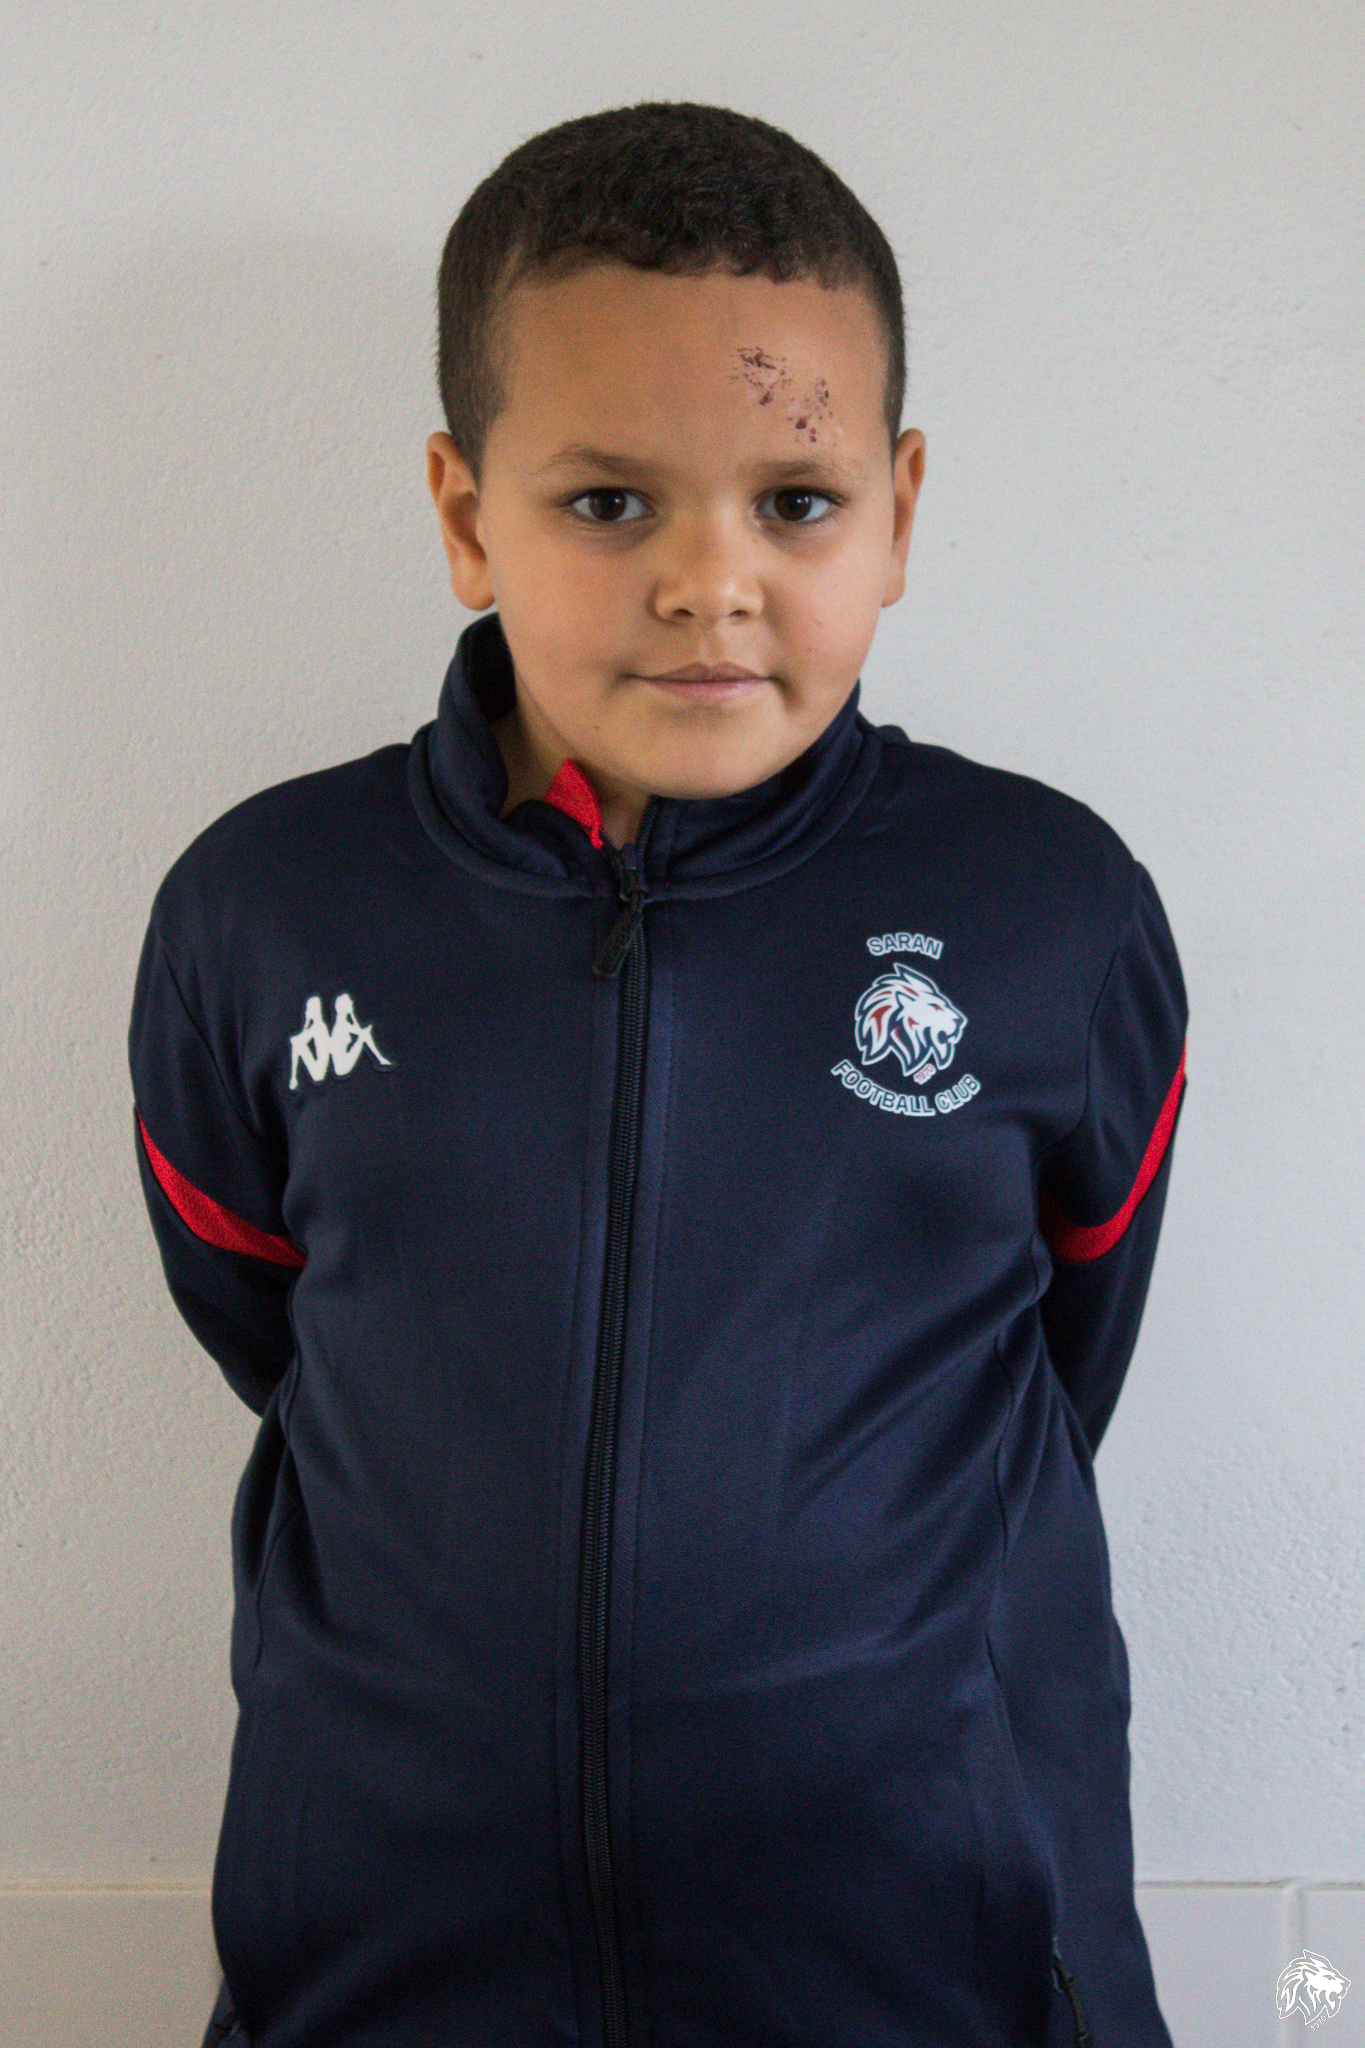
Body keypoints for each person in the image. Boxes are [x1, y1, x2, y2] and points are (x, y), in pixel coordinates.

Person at [128, 100, 1186, 2048]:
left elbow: (1056, 1349)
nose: (711, 582)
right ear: (467, 515)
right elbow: (273, 1323)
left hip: (928, 1967)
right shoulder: (261, 909)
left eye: (794, 501)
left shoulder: (1046, 904)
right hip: (391, 1963)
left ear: (897, 508)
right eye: (610, 503)